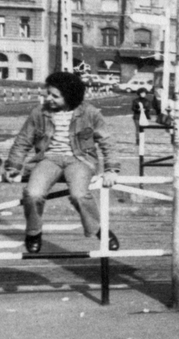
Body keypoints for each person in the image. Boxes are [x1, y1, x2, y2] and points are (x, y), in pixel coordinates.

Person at [3, 71, 118, 253]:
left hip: (80, 159)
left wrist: (111, 169)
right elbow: (23, 141)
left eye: (55, 96)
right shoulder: (39, 113)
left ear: (70, 96)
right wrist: (13, 166)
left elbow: (107, 141)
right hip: (48, 159)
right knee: (33, 194)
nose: (48, 98)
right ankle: (33, 232)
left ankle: (99, 230)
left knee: (79, 194)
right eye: (48, 93)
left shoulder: (90, 113)